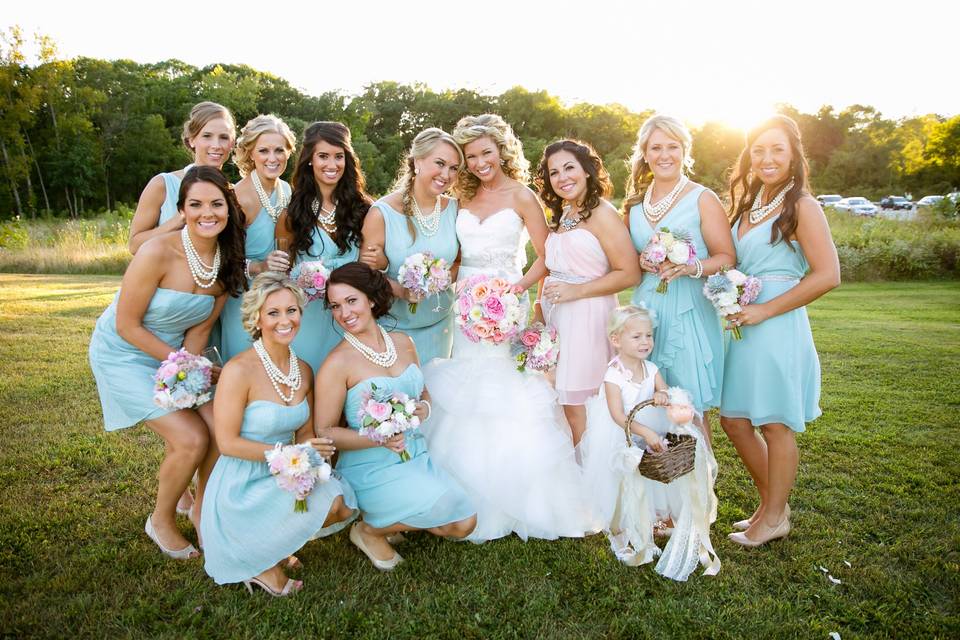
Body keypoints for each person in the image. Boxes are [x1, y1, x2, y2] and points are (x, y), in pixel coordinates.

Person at [421, 114, 598, 542]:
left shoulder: (523, 197)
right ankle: (466, 493)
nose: (480, 163)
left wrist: (513, 289)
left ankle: (521, 495)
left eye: (487, 153)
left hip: (507, 302)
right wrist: (446, 279)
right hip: (466, 308)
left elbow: (545, 255)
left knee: (508, 388)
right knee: (468, 386)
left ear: (502, 150)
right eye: (471, 156)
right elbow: (458, 255)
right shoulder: (459, 200)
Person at [89, 166, 246, 559]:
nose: (206, 213)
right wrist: (181, 365)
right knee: (190, 438)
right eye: (195, 205)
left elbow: (200, 326)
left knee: (219, 425)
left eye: (216, 203)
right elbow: (126, 324)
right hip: (123, 353)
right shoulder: (157, 251)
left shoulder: (228, 260)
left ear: (229, 207)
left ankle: (202, 511)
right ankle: (160, 520)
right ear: (182, 210)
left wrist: (189, 369)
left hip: (177, 356)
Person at [721, 115, 840, 547]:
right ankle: (772, 504)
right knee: (734, 420)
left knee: (773, 423)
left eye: (776, 150)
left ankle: (772, 517)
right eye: (758, 150)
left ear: (793, 156)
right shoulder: (750, 204)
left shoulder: (802, 206)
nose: (766, 158)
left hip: (776, 323)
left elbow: (827, 275)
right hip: (742, 321)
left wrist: (766, 310)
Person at [201, 272, 357, 596]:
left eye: (292, 310)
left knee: (339, 505)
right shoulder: (238, 370)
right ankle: (259, 563)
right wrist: (285, 456)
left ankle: (274, 540)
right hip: (242, 480)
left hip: (290, 469)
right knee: (327, 503)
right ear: (256, 318)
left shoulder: (303, 371)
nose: (285, 320)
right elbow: (227, 443)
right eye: (273, 313)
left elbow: (305, 431)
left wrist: (307, 455)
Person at [314, 262, 476, 570]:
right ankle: (368, 530)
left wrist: (424, 408)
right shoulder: (337, 363)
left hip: (417, 454)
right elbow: (326, 431)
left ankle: (388, 523)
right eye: (335, 306)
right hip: (370, 467)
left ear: (371, 299)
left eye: (352, 301)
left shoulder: (404, 343)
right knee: (459, 516)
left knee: (461, 523)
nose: (344, 313)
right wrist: (377, 438)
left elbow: (423, 393)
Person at [580, 305, 719, 581]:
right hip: (623, 435)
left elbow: (662, 388)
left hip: (651, 431)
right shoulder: (614, 375)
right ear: (616, 340)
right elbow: (618, 416)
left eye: (648, 336)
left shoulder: (652, 368)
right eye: (637, 337)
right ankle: (620, 527)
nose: (645, 342)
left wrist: (663, 395)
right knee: (621, 483)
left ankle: (650, 519)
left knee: (650, 479)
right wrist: (645, 432)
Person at [624, 115, 736, 447]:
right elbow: (626, 259)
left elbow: (726, 257)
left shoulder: (702, 198)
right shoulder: (634, 205)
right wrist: (640, 260)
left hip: (688, 311)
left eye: (672, 146)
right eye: (656, 147)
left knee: (688, 405)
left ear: (684, 150)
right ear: (645, 153)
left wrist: (691, 267)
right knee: (649, 399)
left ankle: (700, 489)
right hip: (647, 309)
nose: (664, 155)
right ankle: (660, 486)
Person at [535, 139, 641, 445]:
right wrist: (539, 310)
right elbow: (552, 266)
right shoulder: (564, 214)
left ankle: (591, 481)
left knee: (581, 406)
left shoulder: (602, 214)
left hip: (588, 317)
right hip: (557, 319)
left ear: (587, 171)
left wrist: (577, 291)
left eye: (570, 168)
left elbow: (629, 273)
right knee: (563, 403)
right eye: (554, 172)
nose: (563, 177)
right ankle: (577, 475)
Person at [359, 128, 461, 365]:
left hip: (440, 327)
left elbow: (460, 261)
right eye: (440, 163)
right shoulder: (381, 213)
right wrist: (401, 291)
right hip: (393, 328)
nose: (446, 174)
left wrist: (440, 280)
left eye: (454, 168)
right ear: (417, 162)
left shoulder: (457, 209)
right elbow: (365, 275)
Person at [277, 121, 373, 372]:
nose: (332, 165)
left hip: (352, 318)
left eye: (338, 156)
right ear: (310, 159)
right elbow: (280, 277)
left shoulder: (364, 210)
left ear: (347, 160)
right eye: (323, 156)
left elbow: (376, 262)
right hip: (309, 323)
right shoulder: (290, 216)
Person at [219, 114, 296, 362]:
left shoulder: (287, 190)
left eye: (279, 150)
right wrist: (260, 266)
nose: (272, 158)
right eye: (264, 151)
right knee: (248, 365)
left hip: (279, 298)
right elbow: (222, 259)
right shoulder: (238, 197)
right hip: (244, 299)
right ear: (250, 153)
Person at [128, 102, 236, 254]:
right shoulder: (163, 184)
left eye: (224, 137)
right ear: (192, 140)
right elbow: (134, 246)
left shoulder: (233, 192)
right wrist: (179, 220)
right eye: (207, 136)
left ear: (231, 143)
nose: (216, 145)